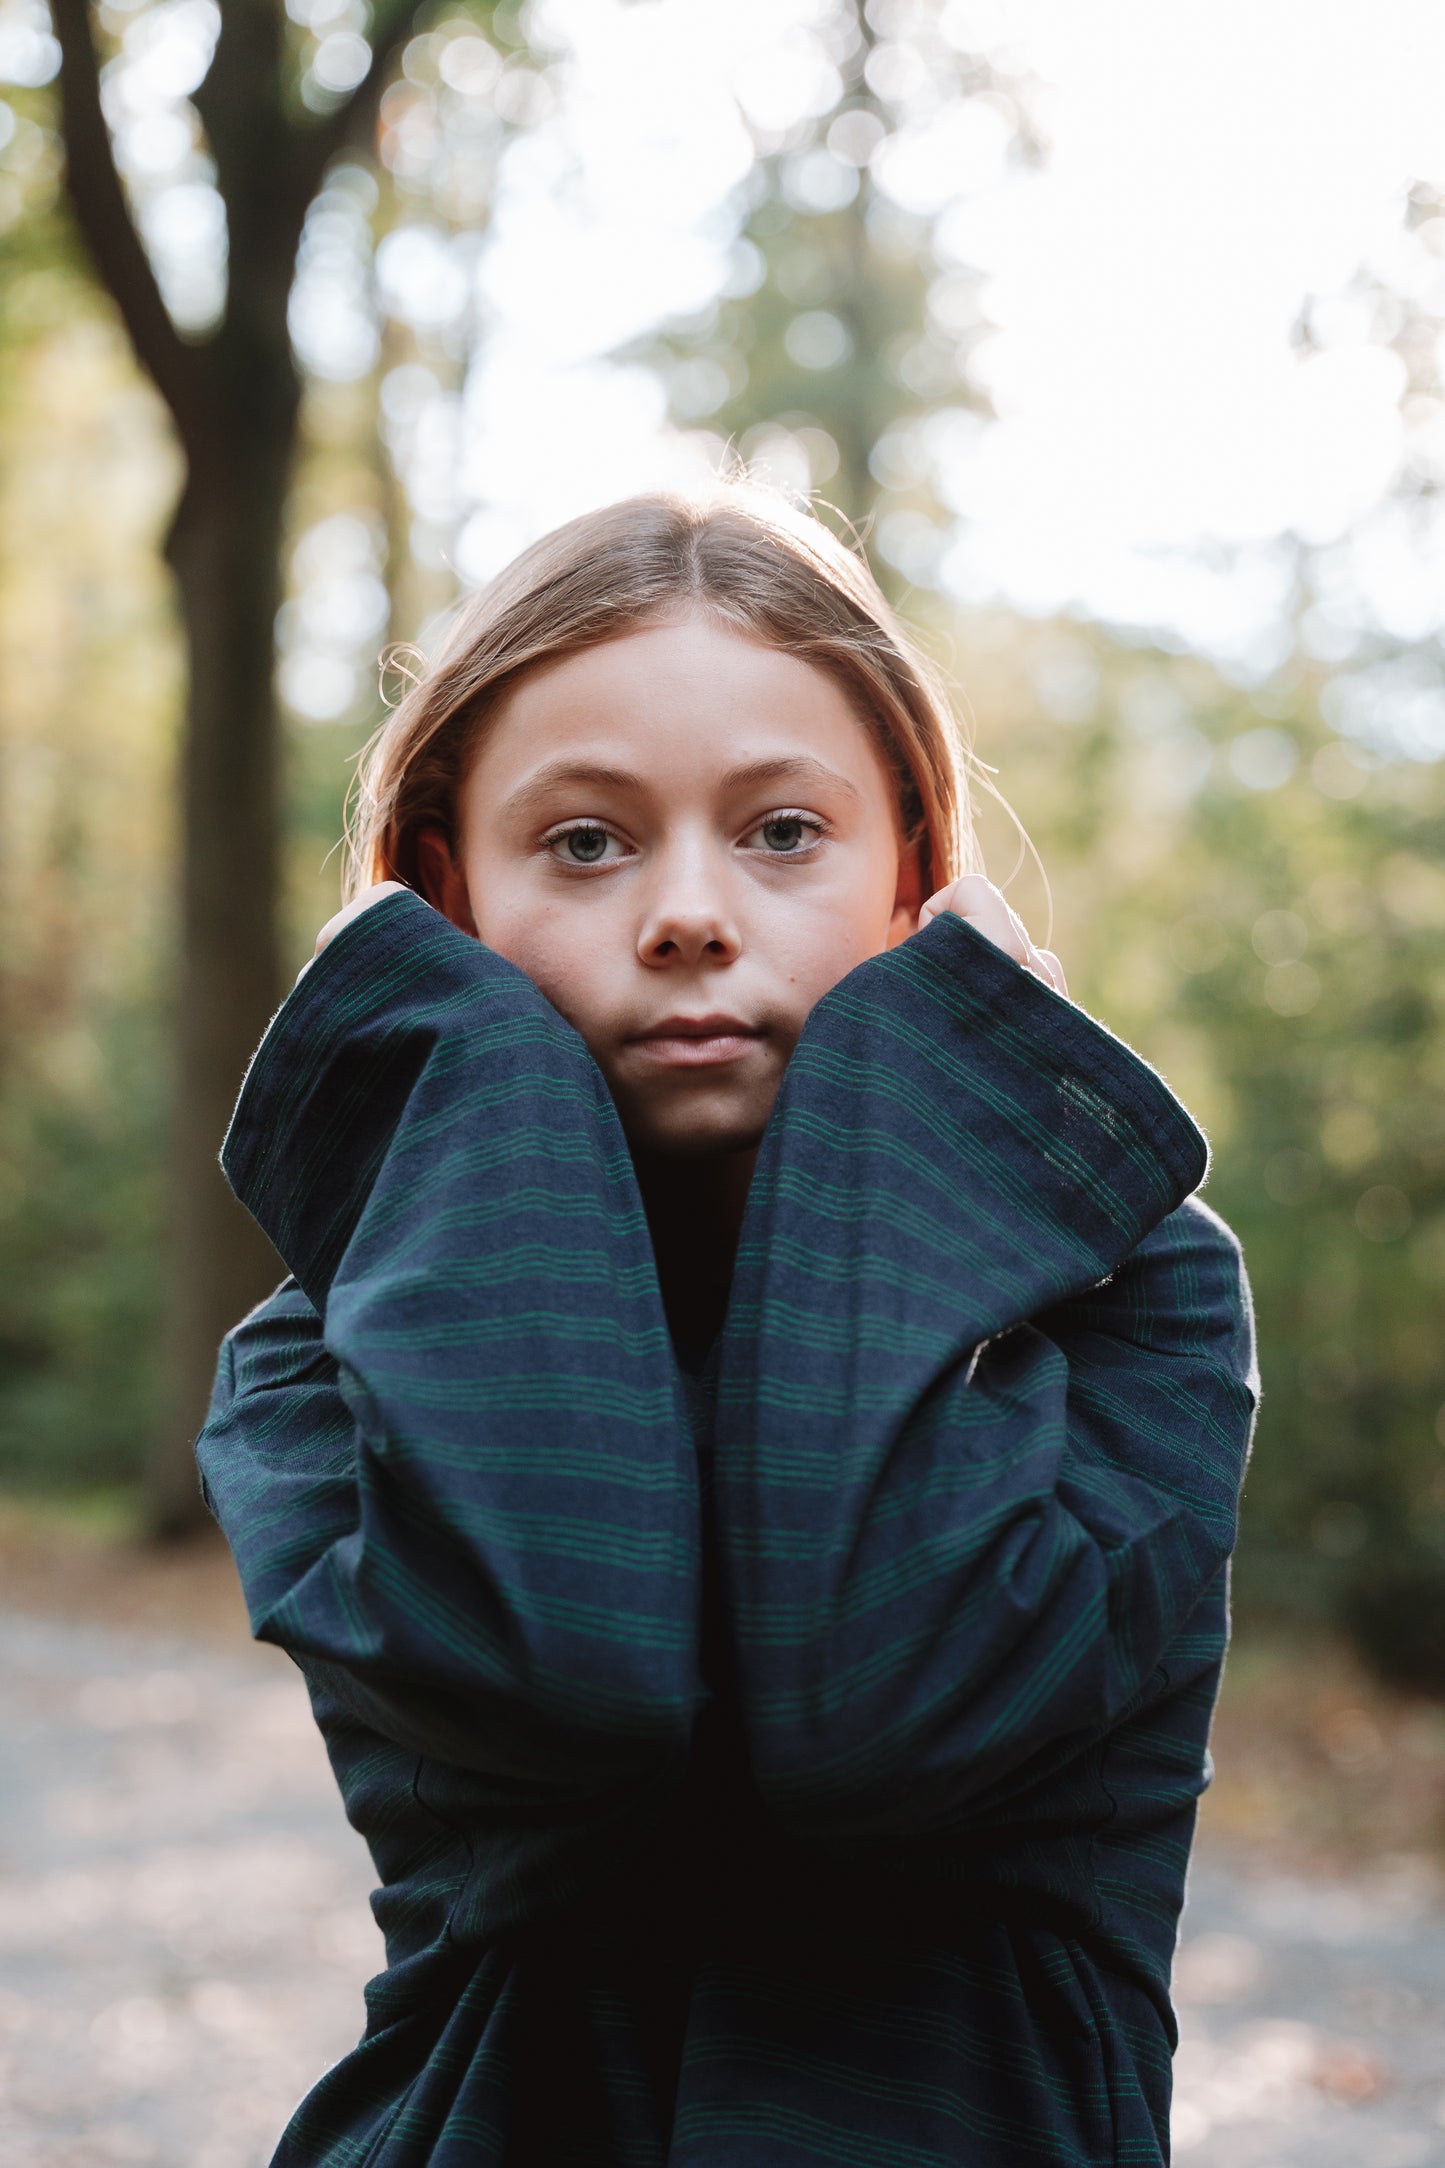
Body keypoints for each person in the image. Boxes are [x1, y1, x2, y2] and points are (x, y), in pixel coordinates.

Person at [197, 483, 1259, 2167]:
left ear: (912, 870)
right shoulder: (322, 1351)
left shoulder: (1131, 1296)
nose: (687, 913)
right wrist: (452, 1054)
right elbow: (577, 1684)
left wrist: (913, 1078)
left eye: (781, 834)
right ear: (440, 898)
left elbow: (871, 1725)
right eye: (584, 842)